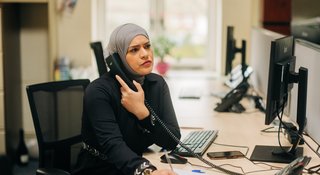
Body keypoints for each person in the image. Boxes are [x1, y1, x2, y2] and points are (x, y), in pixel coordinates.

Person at [73, 23, 181, 175]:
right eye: (134, 50)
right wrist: (147, 171)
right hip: (101, 169)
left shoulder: (157, 84)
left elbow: (172, 140)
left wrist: (144, 114)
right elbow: (113, 145)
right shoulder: (98, 91)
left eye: (147, 46)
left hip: (134, 164)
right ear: (116, 59)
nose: (145, 54)